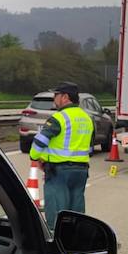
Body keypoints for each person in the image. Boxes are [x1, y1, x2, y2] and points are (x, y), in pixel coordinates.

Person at [29, 81, 94, 228]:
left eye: (56, 95)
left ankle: (55, 245)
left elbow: (39, 142)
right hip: (81, 171)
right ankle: (75, 242)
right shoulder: (87, 118)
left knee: (57, 213)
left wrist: (35, 157)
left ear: (65, 97)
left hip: (59, 172)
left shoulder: (59, 118)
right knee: (76, 212)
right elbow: (90, 146)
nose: (54, 99)